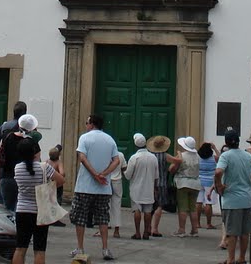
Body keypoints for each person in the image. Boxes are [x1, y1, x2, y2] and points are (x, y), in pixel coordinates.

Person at [69, 113, 119, 262]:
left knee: (80, 218)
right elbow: (116, 160)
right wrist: (104, 174)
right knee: (103, 219)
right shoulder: (110, 139)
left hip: (84, 186)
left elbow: (82, 158)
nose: (86, 125)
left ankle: (80, 247)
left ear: (91, 124)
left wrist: (95, 174)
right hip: (103, 188)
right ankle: (105, 248)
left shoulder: (84, 138)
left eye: (86, 122)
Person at [13, 136, 63, 264]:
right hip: (40, 211)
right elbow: (61, 180)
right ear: (35, 152)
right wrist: (47, 188)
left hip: (22, 210)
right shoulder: (44, 167)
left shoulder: (17, 168)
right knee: (39, 250)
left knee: (20, 248)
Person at [214, 128, 251, 264]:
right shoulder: (248, 156)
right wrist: (249, 186)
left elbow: (218, 172)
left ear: (226, 142)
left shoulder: (226, 156)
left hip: (232, 200)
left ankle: (230, 259)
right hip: (247, 199)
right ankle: (242, 258)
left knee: (232, 232)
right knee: (245, 232)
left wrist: (218, 185)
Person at [0, 101, 28, 211]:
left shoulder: (5, 126)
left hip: (5, 173)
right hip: (23, 173)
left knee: (5, 209)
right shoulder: (28, 128)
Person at [123, 133, 159, 240]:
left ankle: (137, 232)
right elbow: (156, 176)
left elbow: (128, 175)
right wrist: (155, 189)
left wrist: (123, 171)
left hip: (136, 188)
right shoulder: (153, 158)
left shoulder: (134, 158)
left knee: (137, 210)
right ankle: (146, 232)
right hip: (149, 187)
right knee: (148, 211)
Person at [168, 136, 200, 237]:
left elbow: (172, 169)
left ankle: (182, 229)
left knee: (182, 208)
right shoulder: (198, 156)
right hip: (195, 183)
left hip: (183, 183)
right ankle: (195, 230)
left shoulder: (181, 155)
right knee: (193, 208)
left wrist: (178, 155)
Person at [146, 134, 171, 238]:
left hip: (150, 182)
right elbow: (178, 161)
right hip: (161, 183)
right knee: (159, 206)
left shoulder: (149, 155)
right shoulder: (165, 156)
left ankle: (147, 228)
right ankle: (155, 229)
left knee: (149, 206)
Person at [197, 142, 219, 230]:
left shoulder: (198, 158)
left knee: (198, 202)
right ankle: (208, 223)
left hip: (199, 181)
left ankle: (197, 223)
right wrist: (215, 148)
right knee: (208, 203)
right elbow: (221, 158)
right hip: (210, 182)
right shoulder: (214, 158)